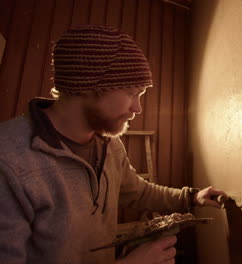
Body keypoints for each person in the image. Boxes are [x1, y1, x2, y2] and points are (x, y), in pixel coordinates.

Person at [0, 25, 225, 264]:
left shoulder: (109, 143)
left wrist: (190, 197)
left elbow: (137, 192)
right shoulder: (9, 160)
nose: (137, 108)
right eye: (131, 93)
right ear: (87, 87)